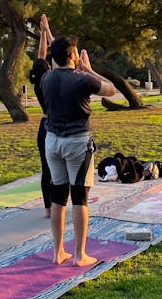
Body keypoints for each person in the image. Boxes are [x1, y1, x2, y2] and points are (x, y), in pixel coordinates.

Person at [40, 36, 116, 266]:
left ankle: (58, 252)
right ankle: (80, 254)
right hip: (77, 142)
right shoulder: (83, 80)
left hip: (52, 140)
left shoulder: (45, 78)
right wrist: (90, 70)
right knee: (79, 198)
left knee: (58, 197)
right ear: (73, 56)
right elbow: (110, 90)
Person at [29, 13, 54, 218]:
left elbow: (42, 56)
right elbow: (58, 55)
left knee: (46, 170)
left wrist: (42, 35)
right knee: (60, 170)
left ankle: (48, 210)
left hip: (43, 126)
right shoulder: (53, 81)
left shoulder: (38, 82)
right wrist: (47, 31)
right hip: (56, 126)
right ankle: (61, 206)